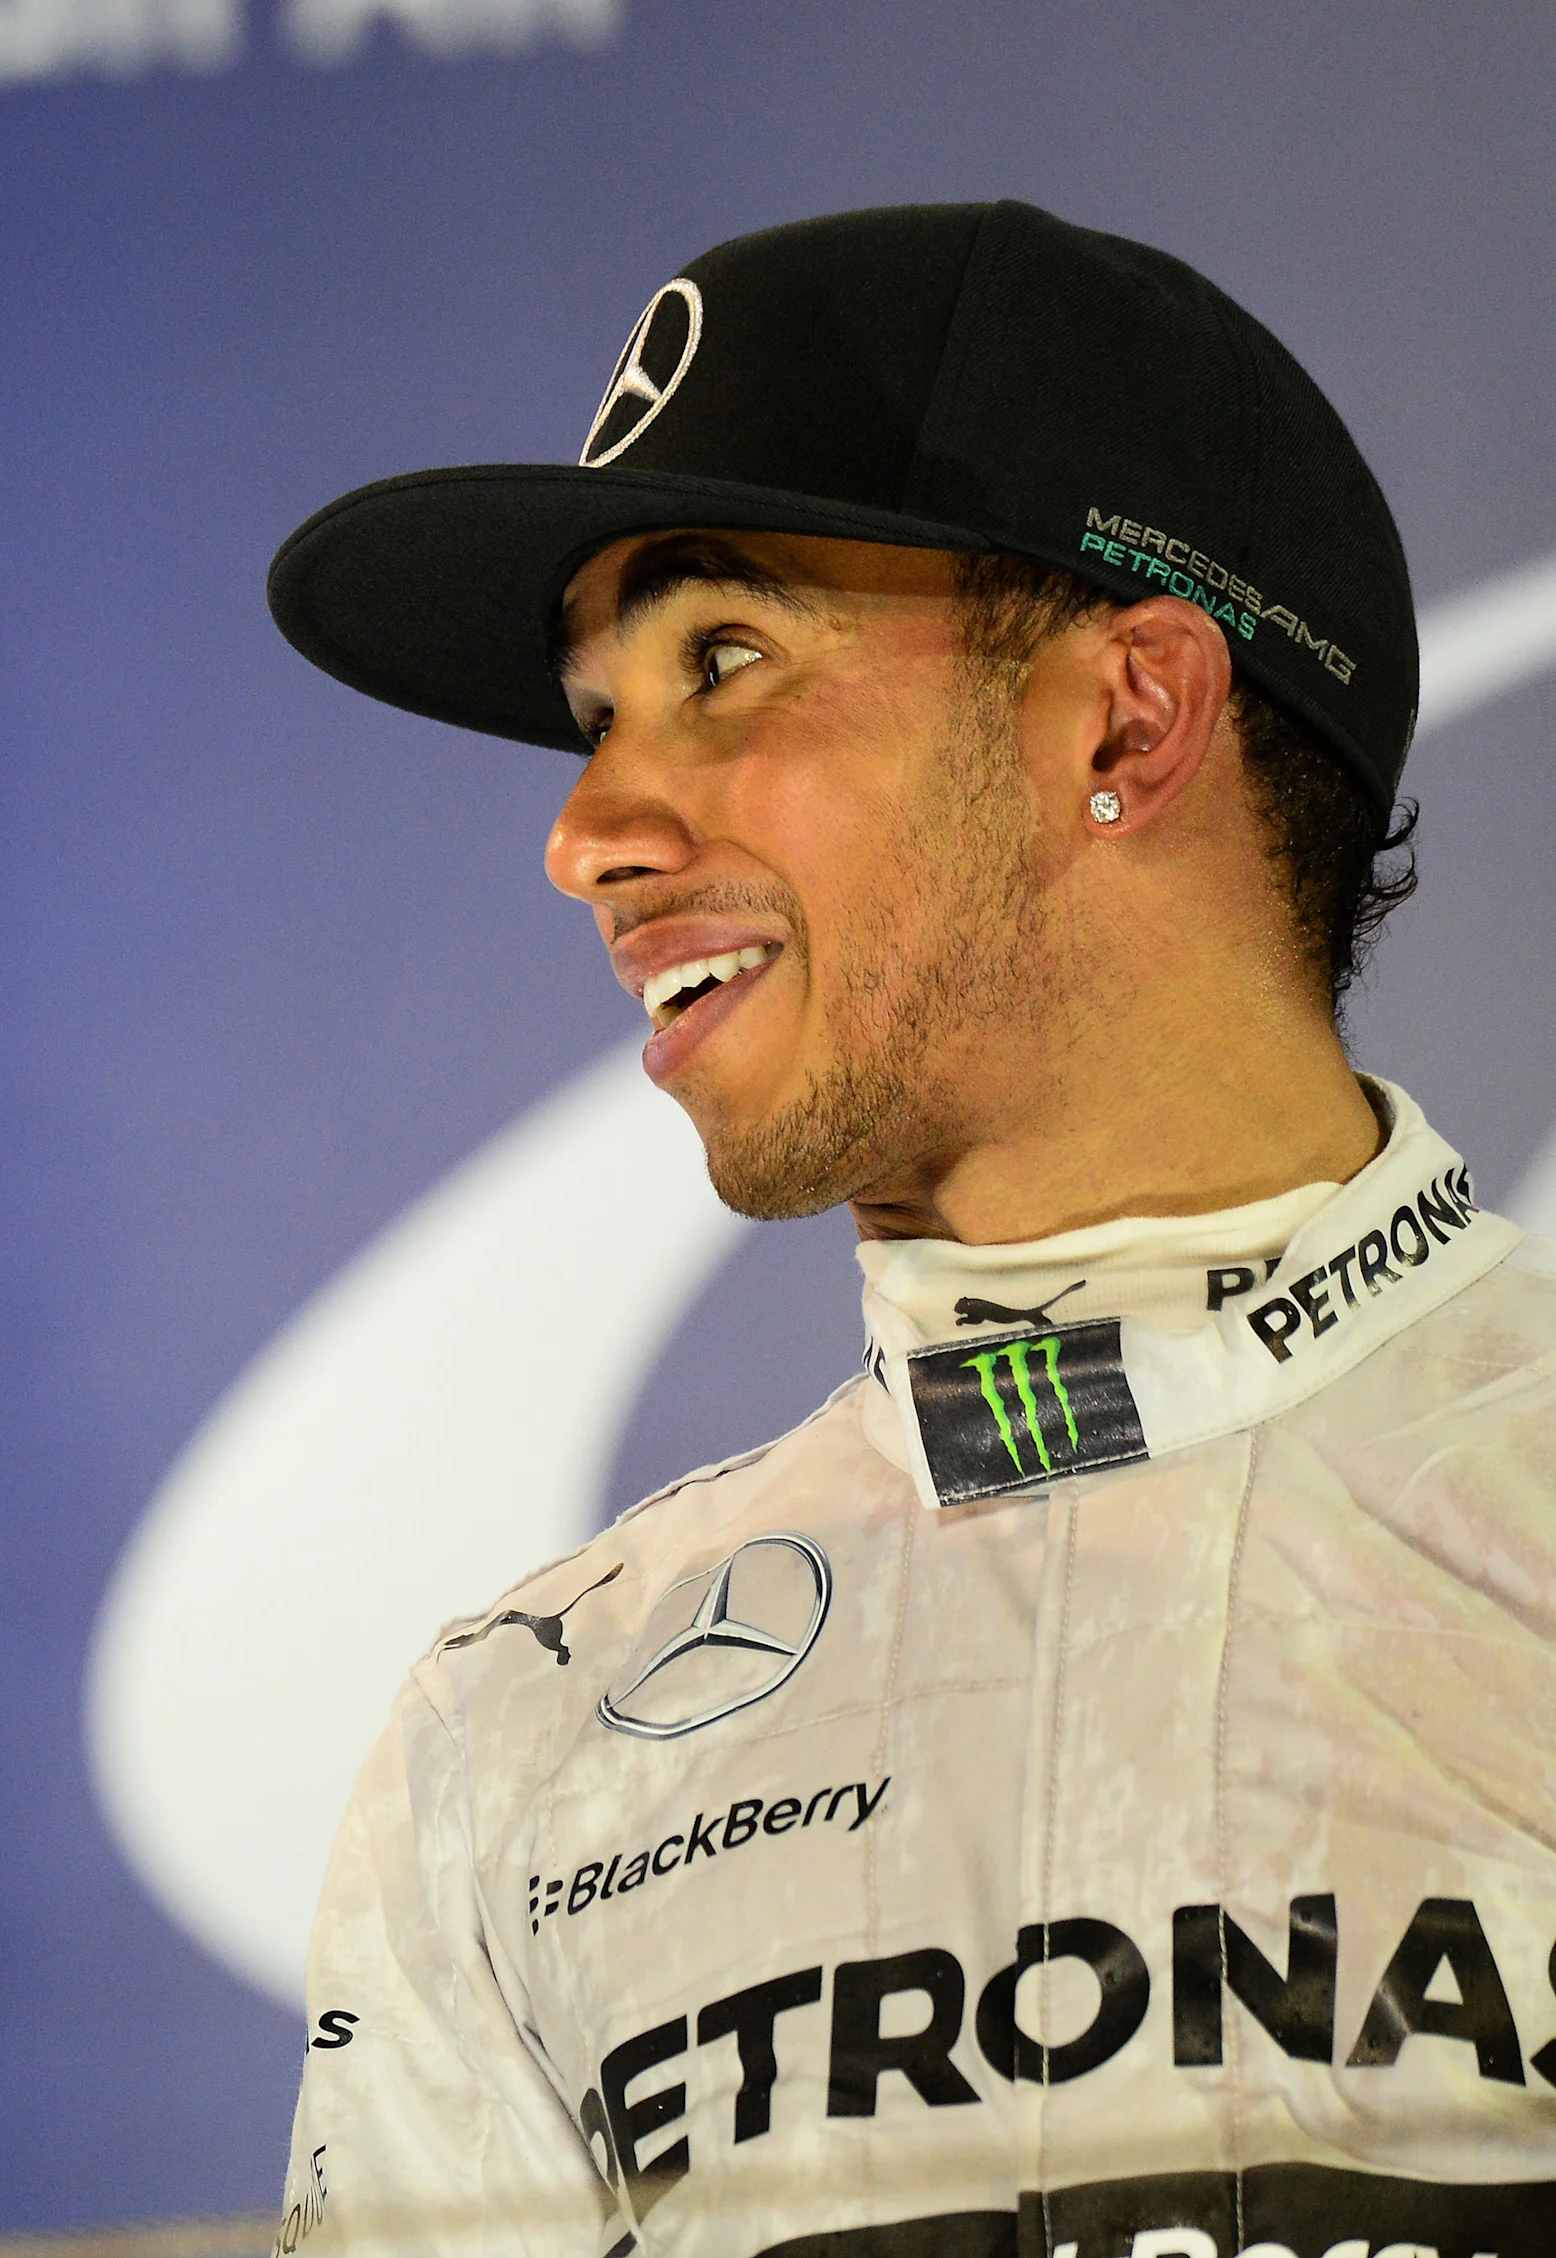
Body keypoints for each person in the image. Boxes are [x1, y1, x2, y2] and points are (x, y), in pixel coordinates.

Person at [259, 202, 1555, 2252]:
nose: (586, 834)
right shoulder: (516, 1744)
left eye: (725, 660)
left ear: (1127, 719)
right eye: (599, 711)